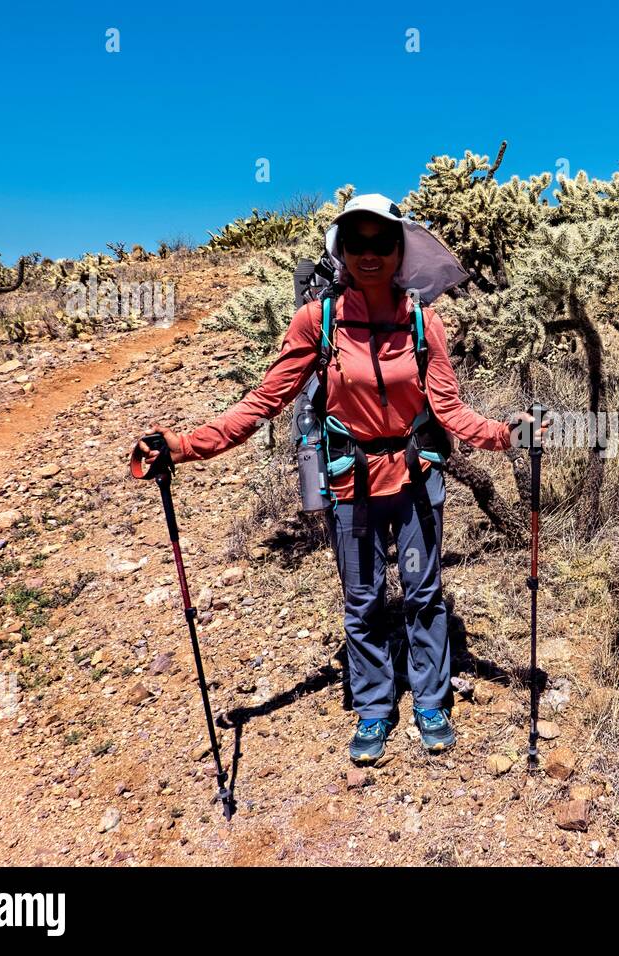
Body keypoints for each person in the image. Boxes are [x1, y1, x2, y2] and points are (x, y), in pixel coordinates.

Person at [135, 194, 538, 764]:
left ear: (399, 251)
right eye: (357, 243)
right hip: (352, 483)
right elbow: (264, 400)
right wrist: (186, 446)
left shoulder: (424, 323)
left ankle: (430, 700)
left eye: (381, 242)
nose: (369, 253)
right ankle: (374, 708)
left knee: (424, 594)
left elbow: (450, 414)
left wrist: (506, 433)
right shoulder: (317, 322)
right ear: (341, 251)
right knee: (363, 598)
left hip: (417, 478)